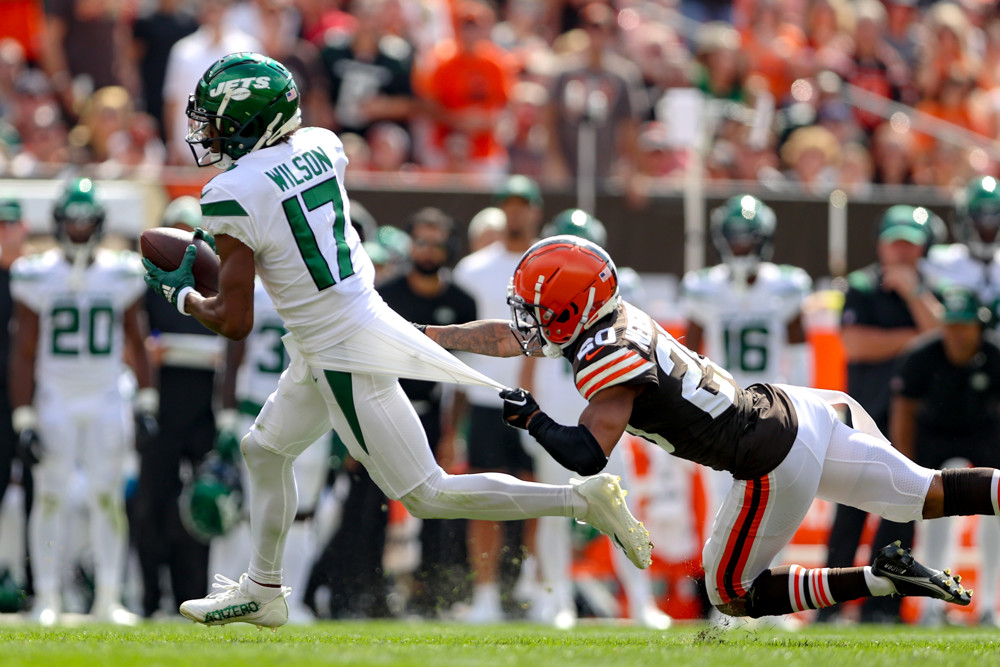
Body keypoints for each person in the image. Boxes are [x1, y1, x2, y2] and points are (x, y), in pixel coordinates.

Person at [140, 52, 651, 629]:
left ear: (251, 119)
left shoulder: (230, 191)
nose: (205, 131)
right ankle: (264, 588)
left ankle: (582, 501)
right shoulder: (322, 145)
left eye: (217, 118)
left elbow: (233, 320)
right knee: (264, 451)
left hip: (337, 344)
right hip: (348, 318)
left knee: (428, 494)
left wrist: (180, 296)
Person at [419, 233, 1000, 622]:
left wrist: (534, 418)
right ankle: (901, 564)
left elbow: (588, 456)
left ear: (573, 310)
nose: (527, 320)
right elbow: (510, 336)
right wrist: (432, 336)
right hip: (798, 410)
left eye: (537, 308)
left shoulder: (608, 357)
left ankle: (880, 578)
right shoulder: (614, 317)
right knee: (925, 494)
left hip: (769, 454)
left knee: (731, 593)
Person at [9, 178, 153, 625]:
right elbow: (25, 349)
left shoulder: (121, 271)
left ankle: (109, 595)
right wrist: (24, 415)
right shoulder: (36, 273)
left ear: (99, 223)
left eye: (85, 220)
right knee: (49, 497)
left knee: (108, 498)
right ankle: (48, 595)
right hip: (56, 397)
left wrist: (146, 401)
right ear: (57, 223)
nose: (78, 228)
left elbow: (137, 339)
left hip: (107, 396)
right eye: (72, 220)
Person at [817, 204, 944, 625]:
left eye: (911, 242)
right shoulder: (860, 286)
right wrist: (914, 338)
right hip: (865, 414)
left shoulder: (934, 287)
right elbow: (855, 344)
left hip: (911, 418)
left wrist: (914, 295)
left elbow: (947, 337)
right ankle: (829, 604)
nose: (903, 251)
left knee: (903, 510)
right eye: (897, 242)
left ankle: (883, 606)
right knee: (848, 512)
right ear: (881, 244)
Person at [452, 174, 544, 623]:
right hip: (488, 396)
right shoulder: (473, 269)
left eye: (523, 204)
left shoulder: (551, 261)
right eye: (508, 204)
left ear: (536, 210)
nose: (516, 213)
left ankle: (536, 583)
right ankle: (485, 593)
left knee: (541, 496)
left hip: (543, 400)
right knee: (486, 498)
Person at [375, 207, 476, 616]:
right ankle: (362, 593)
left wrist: (454, 432)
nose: (429, 251)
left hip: (436, 412)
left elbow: (464, 374)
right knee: (368, 506)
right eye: (421, 241)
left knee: (440, 501)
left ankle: (435, 593)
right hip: (381, 406)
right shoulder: (386, 294)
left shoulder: (461, 301)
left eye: (437, 243)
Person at [134, 195, 225, 619]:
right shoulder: (147, 286)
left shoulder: (220, 283)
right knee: (151, 505)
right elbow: (137, 344)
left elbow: (230, 343)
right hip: (161, 408)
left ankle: (194, 594)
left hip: (203, 409)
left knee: (200, 510)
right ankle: (151, 597)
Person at [890, 286, 1000, 627]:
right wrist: (903, 463)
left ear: (979, 327)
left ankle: (989, 605)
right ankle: (933, 606)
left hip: (984, 436)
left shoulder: (995, 355)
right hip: (934, 439)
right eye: (950, 325)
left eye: (964, 325)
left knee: (996, 506)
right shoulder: (922, 355)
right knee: (936, 508)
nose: (956, 334)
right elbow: (903, 411)